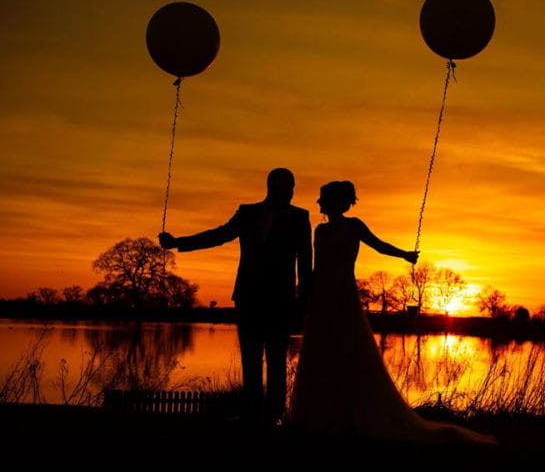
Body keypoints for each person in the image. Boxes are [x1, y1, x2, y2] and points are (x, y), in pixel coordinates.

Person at [287, 180, 497, 445]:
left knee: (349, 349)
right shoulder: (319, 230)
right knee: (322, 351)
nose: (319, 203)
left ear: (337, 202)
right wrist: (304, 294)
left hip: (343, 294)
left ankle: (353, 414)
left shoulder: (354, 226)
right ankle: (321, 415)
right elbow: (316, 266)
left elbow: (379, 245)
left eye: (323, 198)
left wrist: (404, 254)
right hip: (321, 297)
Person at [159, 168, 312, 425]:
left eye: (291, 186)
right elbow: (218, 236)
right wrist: (178, 243)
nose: (289, 191)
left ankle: (275, 414)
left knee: (276, 358)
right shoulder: (247, 212)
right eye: (285, 186)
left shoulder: (300, 217)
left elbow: (305, 260)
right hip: (249, 294)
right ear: (272, 187)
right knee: (250, 357)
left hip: (281, 298)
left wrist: (304, 298)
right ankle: (251, 414)